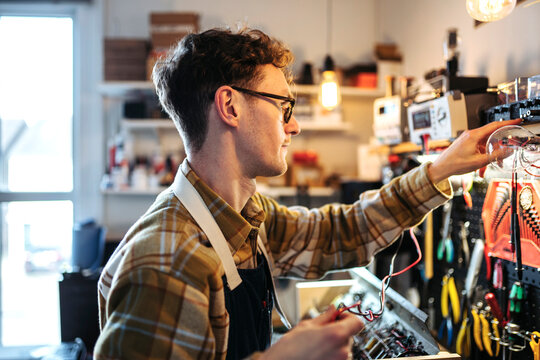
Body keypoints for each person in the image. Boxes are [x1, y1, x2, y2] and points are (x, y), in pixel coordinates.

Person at [94, 27, 520, 360]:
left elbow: (341, 233)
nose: (293, 126)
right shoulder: (169, 261)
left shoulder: (245, 216)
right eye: (283, 107)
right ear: (230, 107)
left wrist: (441, 168)